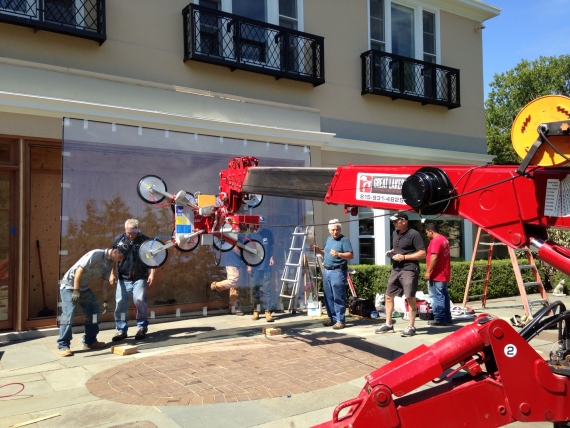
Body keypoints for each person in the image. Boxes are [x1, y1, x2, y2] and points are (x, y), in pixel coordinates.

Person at [57, 245, 129, 357]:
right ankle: (63, 345)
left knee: (94, 310)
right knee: (68, 314)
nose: (121, 260)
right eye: (121, 257)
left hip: (83, 287)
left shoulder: (110, 264)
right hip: (68, 286)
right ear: (115, 251)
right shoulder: (95, 254)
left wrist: (105, 300)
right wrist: (76, 291)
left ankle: (90, 341)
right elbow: (79, 272)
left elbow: (105, 284)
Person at [376, 212, 426, 337]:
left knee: (410, 297)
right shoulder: (395, 233)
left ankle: (411, 326)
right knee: (388, 296)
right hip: (396, 268)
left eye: (395, 221)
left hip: (409, 269)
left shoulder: (414, 234)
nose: (393, 223)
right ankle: (388, 324)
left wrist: (404, 257)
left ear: (404, 221)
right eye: (393, 221)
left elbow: (422, 253)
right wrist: (391, 252)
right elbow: (400, 248)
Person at [110, 219, 157, 342]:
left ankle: (142, 327)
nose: (130, 235)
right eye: (128, 232)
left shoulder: (145, 241)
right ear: (125, 230)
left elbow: (152, 258)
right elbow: (113, 259)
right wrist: (112, 274)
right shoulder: (119, 240)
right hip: (123, 277)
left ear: (138, 229)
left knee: (139, 300)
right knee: (120, 303)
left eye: (133, 232)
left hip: (140, 276)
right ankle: (121, 330)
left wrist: (152, 273)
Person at [310, 219, 353, 330]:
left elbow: (350, 255)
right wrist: (318, 250)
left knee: (338, 297)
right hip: (327, 270)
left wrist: (338, 254)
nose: (335, 232)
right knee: (328, 296)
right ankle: (332, 318)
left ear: (340, 230)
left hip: (338, 271)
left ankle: (340, 320)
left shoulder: (344, 240)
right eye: (333, 230)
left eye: (337, 229)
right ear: (329, 230)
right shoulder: (329, 239)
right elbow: (326, 252)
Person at [424, 223, 453, 326]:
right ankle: (447, 317)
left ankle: (440, 319)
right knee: (444, 295)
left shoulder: (435, 241)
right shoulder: (444, 239)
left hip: (437, 274)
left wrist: (428, 271)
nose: (427, 235)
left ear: (431, 231)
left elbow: (434, 257)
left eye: (427, 233)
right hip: (444, 273)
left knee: (436, 296)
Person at [248, 217, 275, 322]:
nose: (261, 226)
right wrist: (249, 264)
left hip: (267, 266)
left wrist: (272, 257)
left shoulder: (268, 233)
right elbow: (247, 251)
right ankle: (256, 311)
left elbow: (271, 247)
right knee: (255, 289)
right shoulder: (250, 235)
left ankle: (268, 312)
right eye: (259, 224)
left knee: (267, 289)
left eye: (262, 224)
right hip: (255, 267)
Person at [211, 241, 246, 315]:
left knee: (235, 286)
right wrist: (244, 255)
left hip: (239, 262)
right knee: (233, 280)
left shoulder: (242, 234)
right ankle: (216, 285)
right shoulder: (233, 234)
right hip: (232, 262)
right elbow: (234, 246)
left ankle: (233, 307)